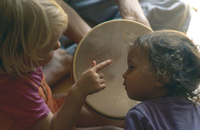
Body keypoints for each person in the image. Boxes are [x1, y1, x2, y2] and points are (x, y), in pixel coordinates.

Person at [0, 0, 124, 130]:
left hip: (50, 109)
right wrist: (79, 91)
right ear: (19, 53)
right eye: (49, 48)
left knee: (117, 116)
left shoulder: (19, 62)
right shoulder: (17, 93)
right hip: (53, 125)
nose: (58, 46)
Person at [44, 0, 192, 86]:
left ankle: (73, 56)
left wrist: (130, 5)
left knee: (178, 7)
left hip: (105, 6)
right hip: (57, 10)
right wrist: (93, 43)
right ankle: (73, 55)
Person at [122, 30, 200, 130]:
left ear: (162, 77)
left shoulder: (140, 115)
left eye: (131, 67)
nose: (124, 75)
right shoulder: (197, 111)